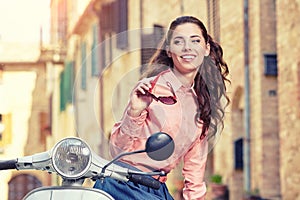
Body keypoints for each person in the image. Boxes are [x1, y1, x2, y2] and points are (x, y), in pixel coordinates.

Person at [94, 16, 230, 200]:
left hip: (157, 187)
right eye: (179, 41)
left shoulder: (202, 105)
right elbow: (117, 150)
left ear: (205, 49)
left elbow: (195, 172)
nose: (187, 47)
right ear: (169, 49)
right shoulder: (150, 89)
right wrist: (134, 112)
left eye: (195, 41)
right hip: (122, 183)